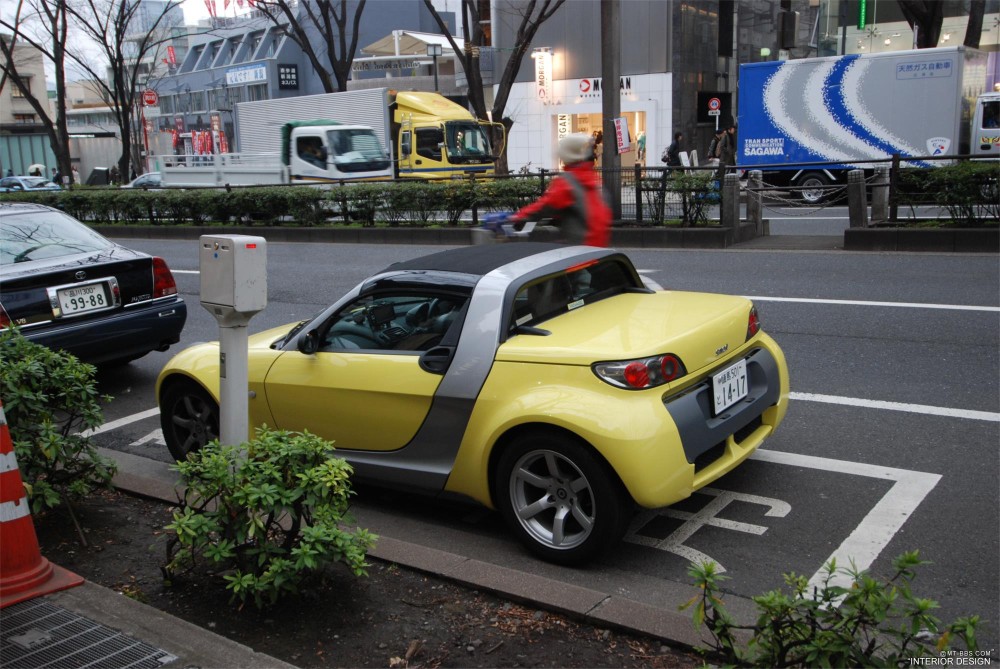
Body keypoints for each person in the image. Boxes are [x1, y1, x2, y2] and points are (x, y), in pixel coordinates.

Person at [508, 133, 611, 247]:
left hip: (579, 247)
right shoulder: (594, 178)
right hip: (599, 246)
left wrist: (517, 217)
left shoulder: (567, 181)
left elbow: (543, 207)